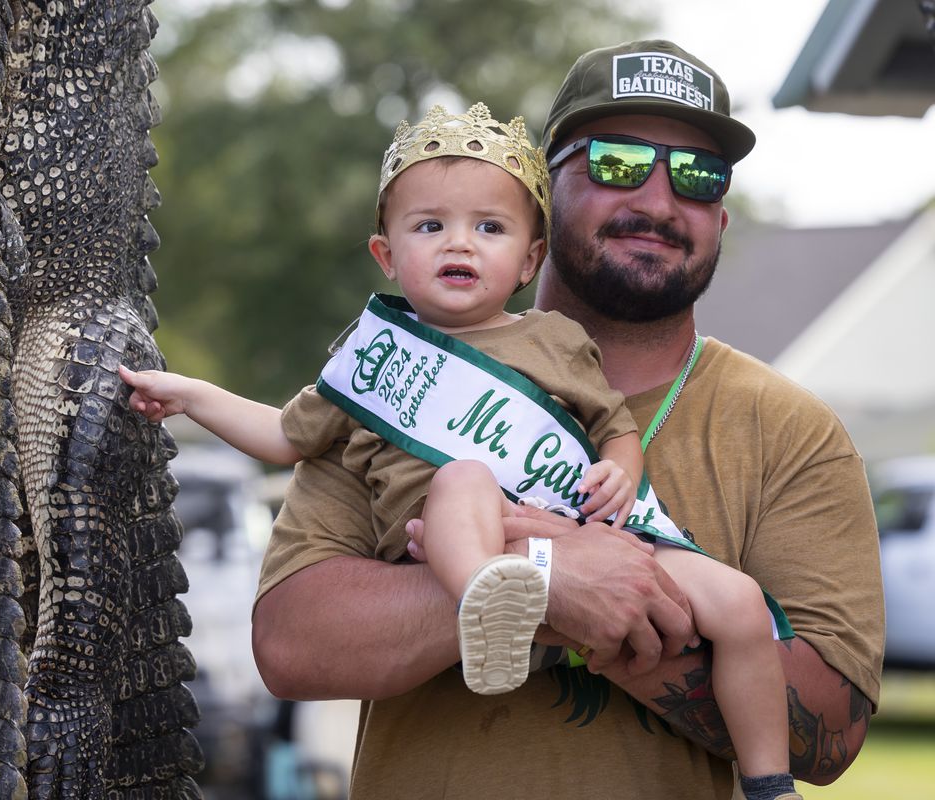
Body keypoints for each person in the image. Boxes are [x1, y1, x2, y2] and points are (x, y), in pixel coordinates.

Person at [250, 39, 884, 800]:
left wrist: (610, 609)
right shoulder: (404, 375)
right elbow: (290, 644)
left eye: (697, 175)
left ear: (719, 213)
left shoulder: (791, 431)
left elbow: (831, 733)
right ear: (547, 188)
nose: (656, 201)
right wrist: (542, 580)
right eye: (616, 162)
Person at [121, 101, 648, 697]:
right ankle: (489, 594)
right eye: (430, 226)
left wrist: (621, 472)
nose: (460, 244)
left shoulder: (556, 341)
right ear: (386, 255)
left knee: (729, 602)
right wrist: (192, 395)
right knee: (466, 477)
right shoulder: (371, 360)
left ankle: (766, 783)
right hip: (427, 583)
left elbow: (614, 424)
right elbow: (282, 437)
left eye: (489, 227)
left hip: (558, 536)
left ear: (530, 258)